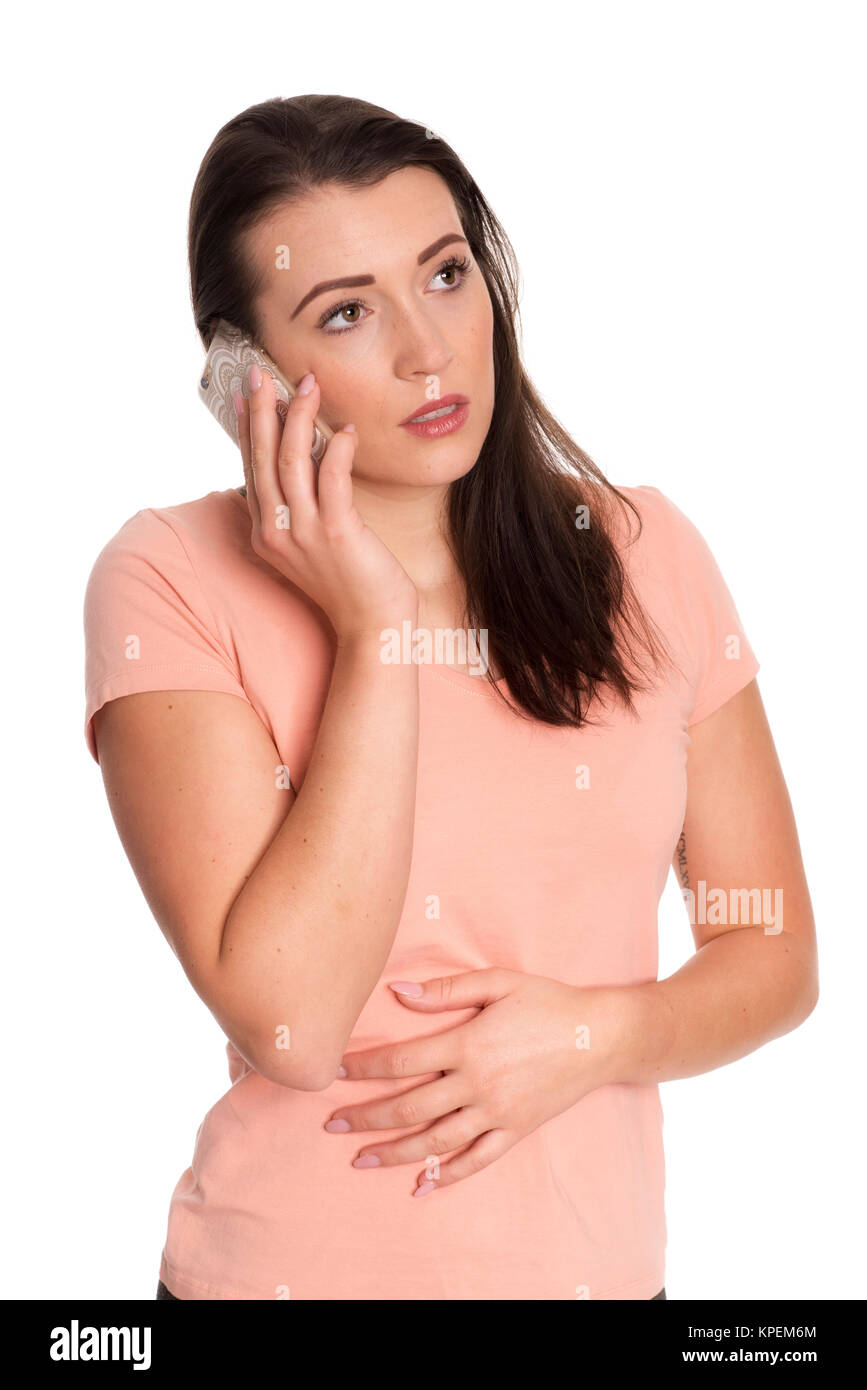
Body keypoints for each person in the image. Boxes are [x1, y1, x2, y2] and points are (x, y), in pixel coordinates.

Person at [82, 95, 818, 1301]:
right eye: (348, 312)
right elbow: (293, 1024)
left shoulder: (644, 554)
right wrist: (378, 627)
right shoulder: (167, 577)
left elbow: (774, 952)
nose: (429, 351)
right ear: (241, 373)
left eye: (446, 274)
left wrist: (590, 1037)